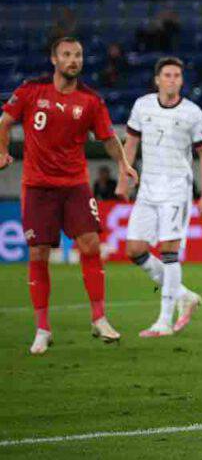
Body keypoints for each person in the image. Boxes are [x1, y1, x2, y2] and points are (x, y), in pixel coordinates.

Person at [0, 36, 138, 354]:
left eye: (77, 55)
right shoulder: (31, 91)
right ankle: (42, 328)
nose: (73, 60)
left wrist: (123, 163)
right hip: (37, 186)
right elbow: (5, 122)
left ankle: (99, 318)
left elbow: (107, 137)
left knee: (90, 243)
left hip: (75, 184)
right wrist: (4, 151)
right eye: (67, 54)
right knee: (38, 254)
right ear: (54, 59)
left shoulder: (90, 101)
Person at [115, 57, 202, 337]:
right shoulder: (142, 106)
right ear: (157, 79)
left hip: (176, 189)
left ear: (181, 80)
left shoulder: (193, 113)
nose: (171, 79)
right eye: (167, 75)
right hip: (147, 189)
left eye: (176, 75)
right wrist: (124, 181)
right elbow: (130, 144)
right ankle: (183, 295)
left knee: (169, 250)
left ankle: (164, 321)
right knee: (134, 249)